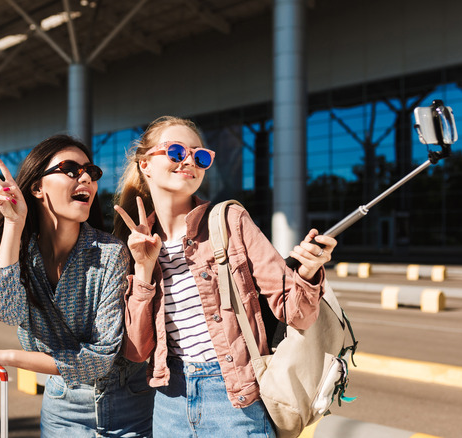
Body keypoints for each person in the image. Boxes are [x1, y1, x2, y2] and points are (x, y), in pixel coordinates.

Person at [112, 116, 337, 437]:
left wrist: (309, 271)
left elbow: (297, 314)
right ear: (145, 164)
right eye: (176, 152)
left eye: (200, 156)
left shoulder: (230, 219)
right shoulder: (137, 240)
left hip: (235, 399)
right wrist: (144, 269)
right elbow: (136, 351)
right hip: (168, 401)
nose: (189, 160)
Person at [0, 134, 154, 437]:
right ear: (37, 187)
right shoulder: (22, 256)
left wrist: (6, 356)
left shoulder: (112, 253)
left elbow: (100, 360)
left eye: (91, 171)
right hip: (63, 408)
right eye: (70, 169)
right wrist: (13, 224)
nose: (86, 177)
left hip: (128, 405)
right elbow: (2, 309)